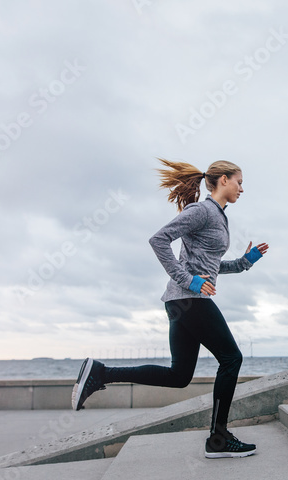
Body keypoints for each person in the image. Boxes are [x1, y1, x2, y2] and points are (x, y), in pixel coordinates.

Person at [71, 158, 268, 458]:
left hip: (182, 301)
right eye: (239, 181)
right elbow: (159, 240)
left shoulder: (217, 216)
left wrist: (244, 262)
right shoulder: (202, 210)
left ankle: (101, 373)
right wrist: (188, 281)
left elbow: (210, 266)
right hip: (189, 300)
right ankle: (218, 438)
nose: (242, 188)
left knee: (179, 376)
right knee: (232, 358)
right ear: (224, 180)